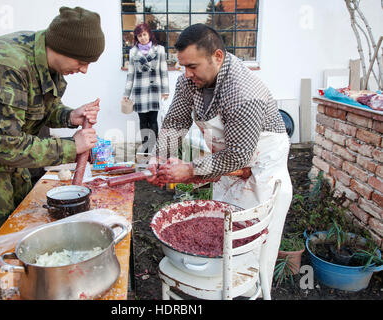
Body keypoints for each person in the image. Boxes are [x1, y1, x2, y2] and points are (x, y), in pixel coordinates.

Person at [0, 7, 105, 247]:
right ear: (62, 48)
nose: (84, 69)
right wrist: (70, 146)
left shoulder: (47, 60)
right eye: (82, 61)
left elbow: (37, 108)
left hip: (4, 152)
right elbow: (3, 144)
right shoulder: (6, 66)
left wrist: (69, 116)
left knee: (23, 221)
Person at [147, 24, 293, 293]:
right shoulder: (189, 82)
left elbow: (239, 156)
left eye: (193, 66)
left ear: (217, 56)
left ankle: (253, 293)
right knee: (222, 236)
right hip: (228, 165)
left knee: (254, 248)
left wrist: (190, 169)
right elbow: (176, 122)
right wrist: (160, 156)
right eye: (183, 67)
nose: (187, 74)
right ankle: (220, 290)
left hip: (261, 172)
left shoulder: (243, 93)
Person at [123, 23, 169, 153]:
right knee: (143, 121)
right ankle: (146, 148)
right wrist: (126, 93)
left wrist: (165, 91)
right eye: (139, 35)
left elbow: (163, 71)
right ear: (136, 37)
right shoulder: (133, 52)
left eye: (144, 34)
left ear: (149, 34)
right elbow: (130, 74)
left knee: (153, 120)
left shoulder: (159, 49)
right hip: (139, 91)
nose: (142, 38)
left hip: (154, 90)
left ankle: (154, 148)